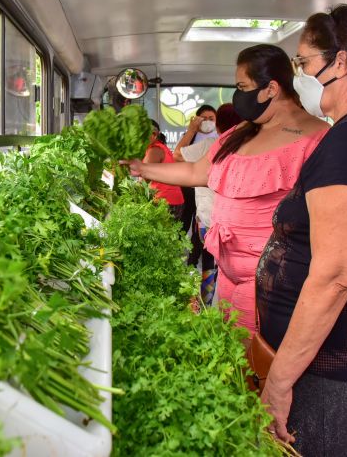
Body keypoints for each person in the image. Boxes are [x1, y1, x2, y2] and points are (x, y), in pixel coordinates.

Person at [256, 0, 347, 457]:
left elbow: (337, 272)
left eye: (303, 61)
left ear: (339, 61)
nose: (299, 72)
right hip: (324, 355)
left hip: (323, 365)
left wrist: (279, 383)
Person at [127, 44, 329, 333]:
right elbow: (197, 171)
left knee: (256, 362)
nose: (238, 95)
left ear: (271, 88)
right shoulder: (241, 132)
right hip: (228, 274)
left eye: (242, 86)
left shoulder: (317, 137)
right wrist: (142, 168)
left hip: (273, 283)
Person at [178, 104, 242, 304]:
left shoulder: (210, 145)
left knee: (208, 263)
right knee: (233, 267)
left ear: (218, 125)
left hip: (209, 220)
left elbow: (177, 155)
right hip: (239, 221)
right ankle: (231, 307)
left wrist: (191, 130)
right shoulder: (251, 146)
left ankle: (206, 304)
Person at [174, 104, 219, 267]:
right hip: (189, 188)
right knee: (186, 222)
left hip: (208, 194)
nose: (207, 122)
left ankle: (194, 261)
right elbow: (178, 155)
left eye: (211, 119)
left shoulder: (218, 139)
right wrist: (191, 130)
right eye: (203, 118)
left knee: (201, 231)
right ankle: (182, 258)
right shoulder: (191, 137)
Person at [143, 119, 185, 220]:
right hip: (171, 200)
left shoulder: (154, 150)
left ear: (154, 134)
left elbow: (145, 178)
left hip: (165, 201)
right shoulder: (159, 147)